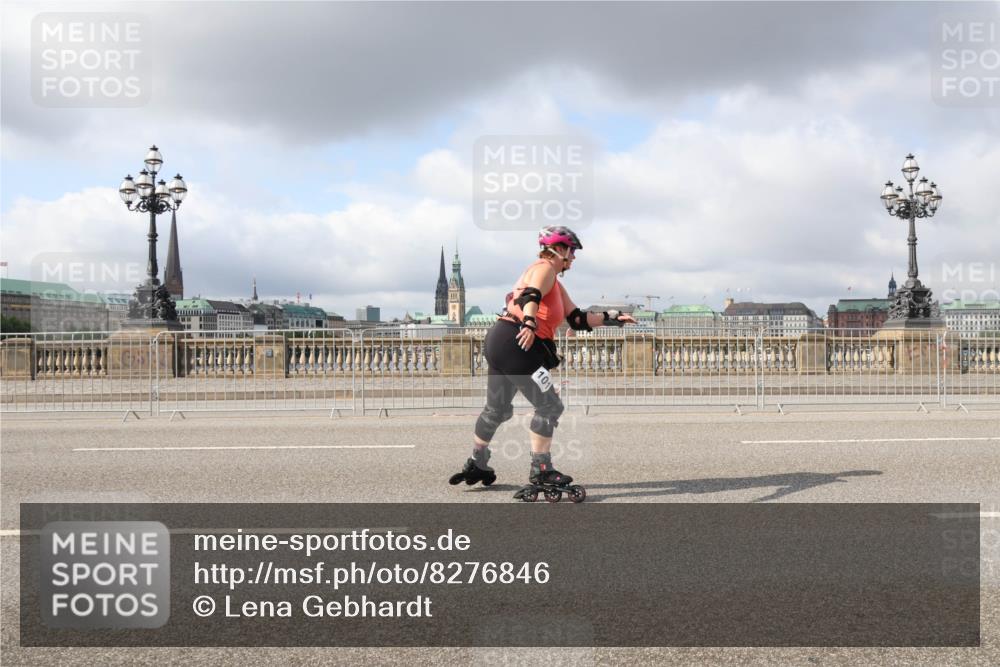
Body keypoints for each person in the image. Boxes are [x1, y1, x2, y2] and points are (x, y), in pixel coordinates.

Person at [448, 226, 636, 494]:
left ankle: (477, 462)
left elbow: (577, 319)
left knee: (497, 410)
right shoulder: (545, 268)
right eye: (571, 251)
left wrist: (612, 318)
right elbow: (530, 294)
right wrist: (529, 322)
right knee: (550, 406)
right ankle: (541, 470)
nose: (573, 257)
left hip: (502, 340)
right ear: (559, 250)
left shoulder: (555, 283)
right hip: (517, 342)